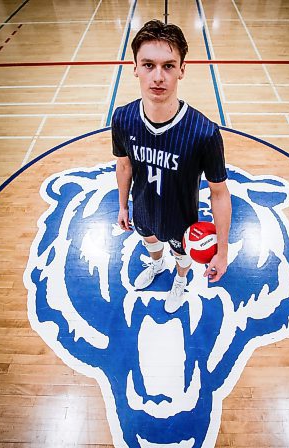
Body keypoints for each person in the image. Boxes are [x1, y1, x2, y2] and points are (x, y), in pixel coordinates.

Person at [112, 19, 231, 313]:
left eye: (168, 65)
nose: (158, 77)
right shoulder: (123, 118)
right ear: (135, 68)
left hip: (181, 218)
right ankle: (156, 264)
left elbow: (219, 193)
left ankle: (180, 280)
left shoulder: (204, 132)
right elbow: (124, 166)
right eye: (149, 65)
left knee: (182, 255)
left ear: (182, 70)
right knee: (149, 239)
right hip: (142, 208)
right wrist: (123, 206)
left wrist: (223, 251)